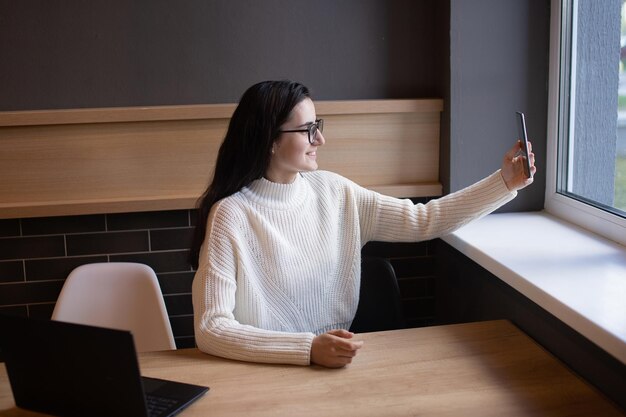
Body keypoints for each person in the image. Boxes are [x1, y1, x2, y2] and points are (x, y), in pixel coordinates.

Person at [190, 80, 536, 368]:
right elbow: (211, 327)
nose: (320, 139)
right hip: (260, 376)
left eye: (318, 126)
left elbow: (424, 220)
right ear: (270, 141)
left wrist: (504, 183)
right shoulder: (230, 215)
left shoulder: (335, 192)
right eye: (308, 130)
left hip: (335, 370)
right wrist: (307, 349)